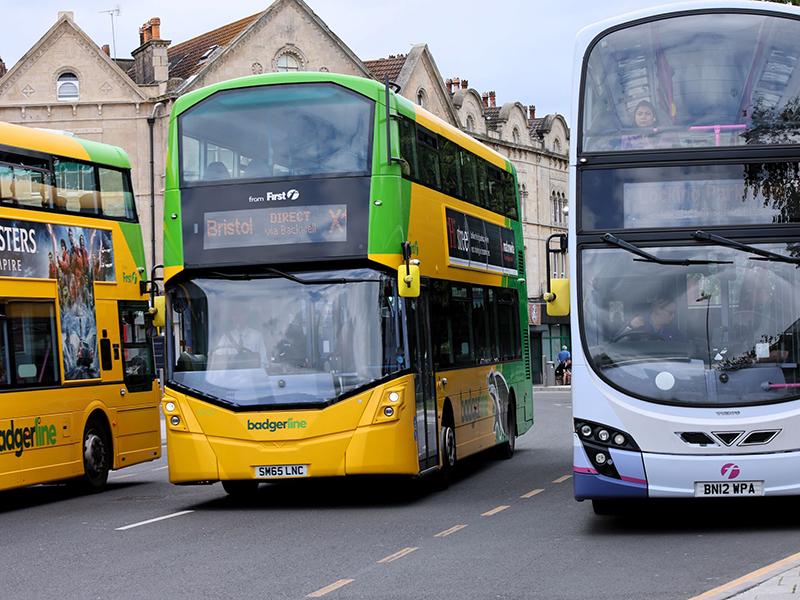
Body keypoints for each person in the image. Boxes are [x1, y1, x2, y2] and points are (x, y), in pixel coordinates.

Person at [616, 297, 684, 342]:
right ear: (657, 310)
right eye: (671, 313)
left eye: (674, 313)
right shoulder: (636, 324)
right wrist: (630, 327)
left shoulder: (672, 330)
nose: (673, 316)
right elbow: (616, 344)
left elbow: (684, 345)